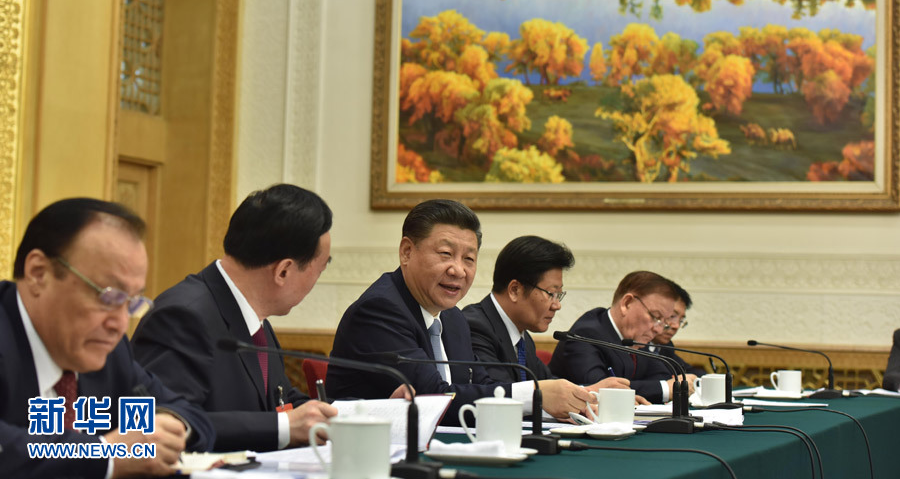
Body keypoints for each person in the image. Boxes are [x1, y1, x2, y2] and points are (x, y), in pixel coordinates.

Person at [0, 198, 214, 478]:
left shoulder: (108, 351)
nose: (120, 324)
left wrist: (165, 431)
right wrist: (104, 456)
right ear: (39, 274)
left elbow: (191, 415)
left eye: (131, 302)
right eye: (109, 296)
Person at [326, 200, 594, 423]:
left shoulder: (452, 317)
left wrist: (553, 403)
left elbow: (482, 385)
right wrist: (533, 395)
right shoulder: (380, 311)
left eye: (469, 259)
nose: (458, 270)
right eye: (445, 253)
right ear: (407, 252)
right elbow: (433, 398)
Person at [132, 184, 339, 452]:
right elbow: (165, 422)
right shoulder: (182, 316)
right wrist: (284, 426)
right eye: (320, 270)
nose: (315, 281)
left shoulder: (253, 315)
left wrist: (354, 415)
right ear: (284, 271)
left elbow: (281, 400)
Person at [462, 235, 635, 397]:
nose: (557, 305)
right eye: (551, 293)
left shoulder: (522, 339)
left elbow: (548, 383)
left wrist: (591, 392)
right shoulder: (475, 327)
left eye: (559, 295)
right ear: (515, 290)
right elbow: (500, 393)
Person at [549, 270, 697, 404]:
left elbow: (660, 376)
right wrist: (663, 389)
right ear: (627, 303)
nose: (658, 330)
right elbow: (600, 389)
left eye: (663, 322)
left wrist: (667, 386)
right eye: (655, 317)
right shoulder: (586, 334)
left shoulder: (637, 338)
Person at [649, 283, 706, 377]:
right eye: (672, 316)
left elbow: (687, 370)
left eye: (681, 320)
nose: (676, 326)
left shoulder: (665, 347)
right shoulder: (635, 345)